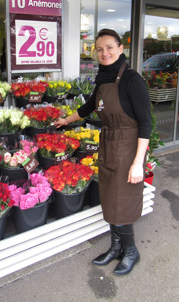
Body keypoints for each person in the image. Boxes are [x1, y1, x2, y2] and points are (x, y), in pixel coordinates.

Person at [54, 29, 151, 275]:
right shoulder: (103, 78)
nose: (104, 53)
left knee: (122, 200)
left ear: (120, 48)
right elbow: (89, 107)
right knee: (109, 197)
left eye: (109, 47)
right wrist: (67, 120)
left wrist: (138, 162)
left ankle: (131, 251)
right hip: (109, 144)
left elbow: (145, 123)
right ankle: (116, 247)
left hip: (128, 148)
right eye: (99, 49)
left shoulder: (131, 79)